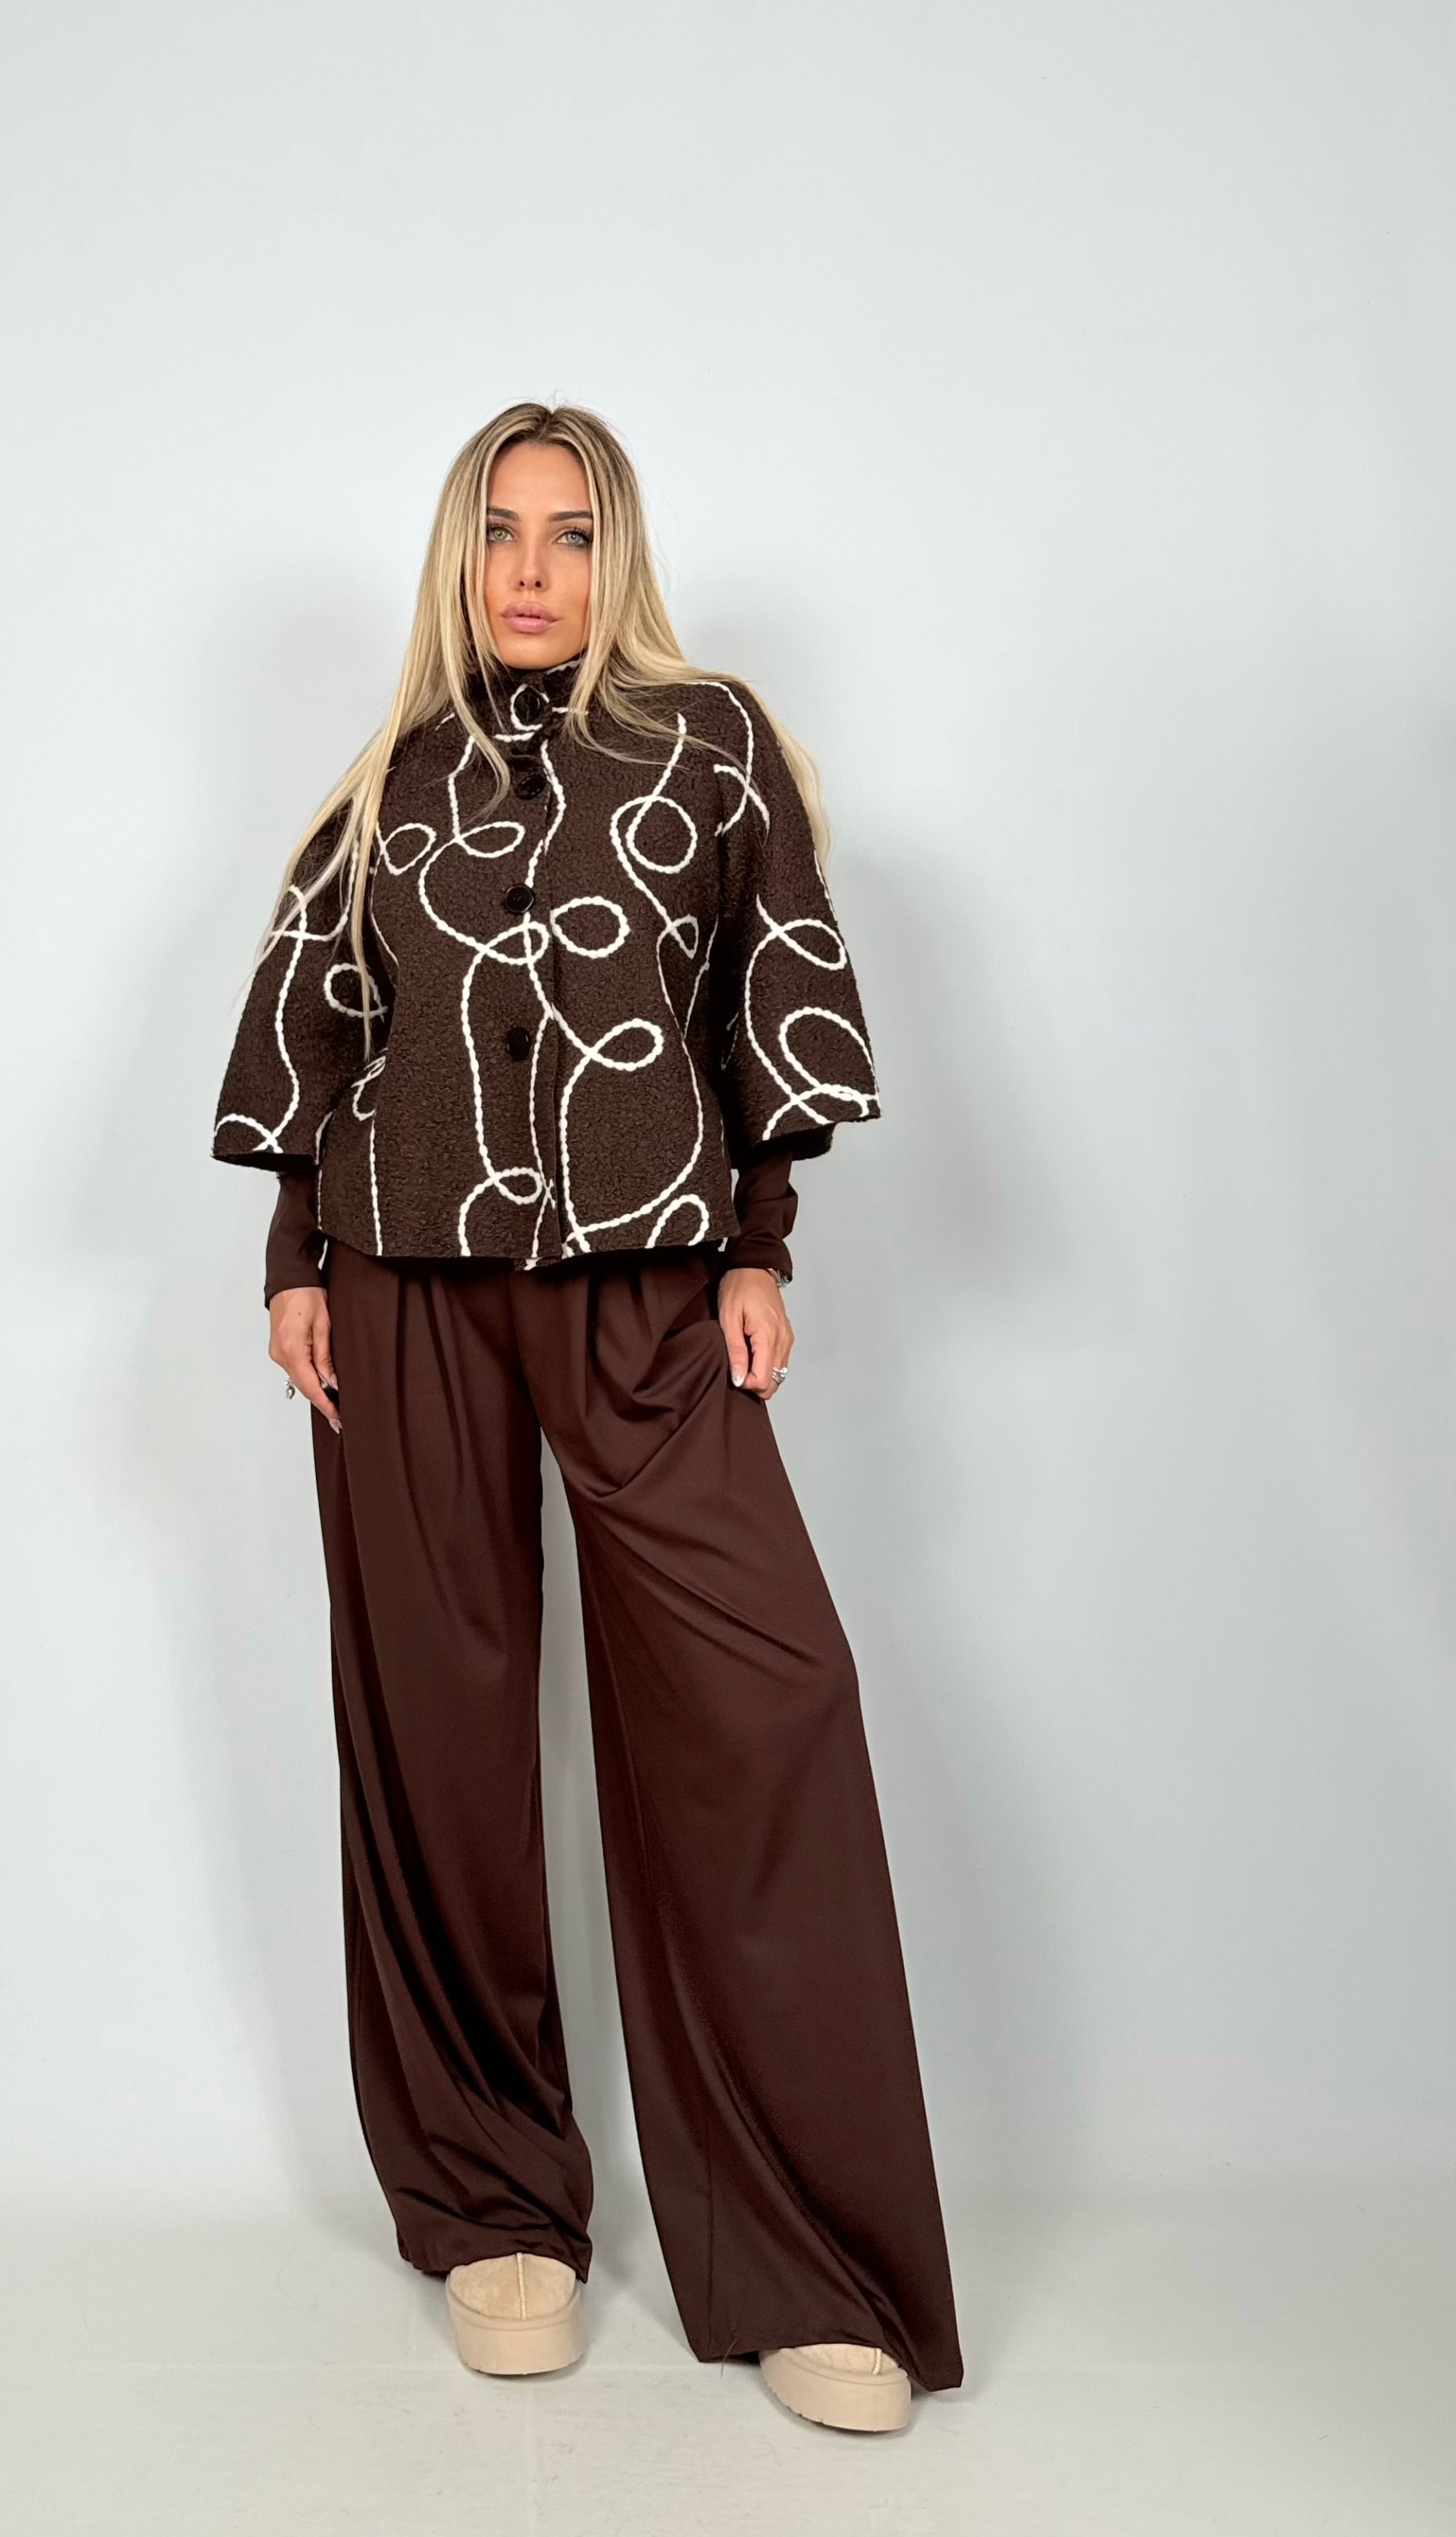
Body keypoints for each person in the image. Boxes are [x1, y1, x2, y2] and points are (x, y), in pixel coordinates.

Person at [210, 401, 963, 2431]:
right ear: (456, 561)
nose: (531, 571)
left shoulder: (711, 746)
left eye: (568, 533)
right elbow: (328, 1035)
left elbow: (761, 994)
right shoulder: (389, 784)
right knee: (439, 1725)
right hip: (401, 1283)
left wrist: (759, 1246)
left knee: (763, 1699)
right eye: (498, 532)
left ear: (618, 558)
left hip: (644, 1282)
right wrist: (294, 1258)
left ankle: (810, 2255)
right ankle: (494, 2204)